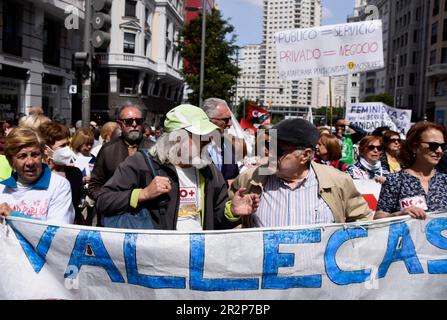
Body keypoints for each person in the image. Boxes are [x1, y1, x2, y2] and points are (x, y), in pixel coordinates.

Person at [96, 104, 246, 230]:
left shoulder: (209, 170)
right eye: (200, 136)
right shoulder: (140, 164)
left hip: (196, 258)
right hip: (157, 261)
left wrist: (232, 211)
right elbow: (103, 201)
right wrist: (142, 194)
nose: (207, 141)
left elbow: (217, 218)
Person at [227, 118, 373, 228]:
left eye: (278, 150)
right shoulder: (250, 178)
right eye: (268, 146)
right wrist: (233, 213)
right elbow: (220, 226)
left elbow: (363, 221)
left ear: (305, 155)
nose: (268, 153)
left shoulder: (338, 181)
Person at [0, 127, 75, 223]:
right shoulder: (2, 189)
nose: (30, 162)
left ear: (42, 155)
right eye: (22, 156)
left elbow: (56, 233)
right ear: (11, 160)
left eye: (35, 154)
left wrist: (14, 216)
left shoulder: (58, 185)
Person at [375, 122, 447, 220]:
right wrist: (398, 214)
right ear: (414, 146)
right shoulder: (395, 180)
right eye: (433, 145)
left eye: (443, 146)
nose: (439, 151)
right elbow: (378, 219)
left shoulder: (444, 180)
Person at [88, 104, 153, 203]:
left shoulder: (153, 148)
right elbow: (95, 184)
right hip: (116, 211)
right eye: (129, 121)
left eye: (138, 121)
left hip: (147, 212)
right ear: (120, 124)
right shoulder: (108, 150)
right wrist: (107, 200)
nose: (134, 124)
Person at [39, 122, 84, 224]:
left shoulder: (75, 173)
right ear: (46, 150)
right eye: (62, 146)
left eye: (68, 144)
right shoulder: (35, 174)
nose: (67, 149)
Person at [202, 98, 240, 182]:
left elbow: (235, 177)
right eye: (226, 120)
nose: (230, 124)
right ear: (210, 120)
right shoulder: (195, 146)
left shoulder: (229, 146)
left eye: (230, 119)